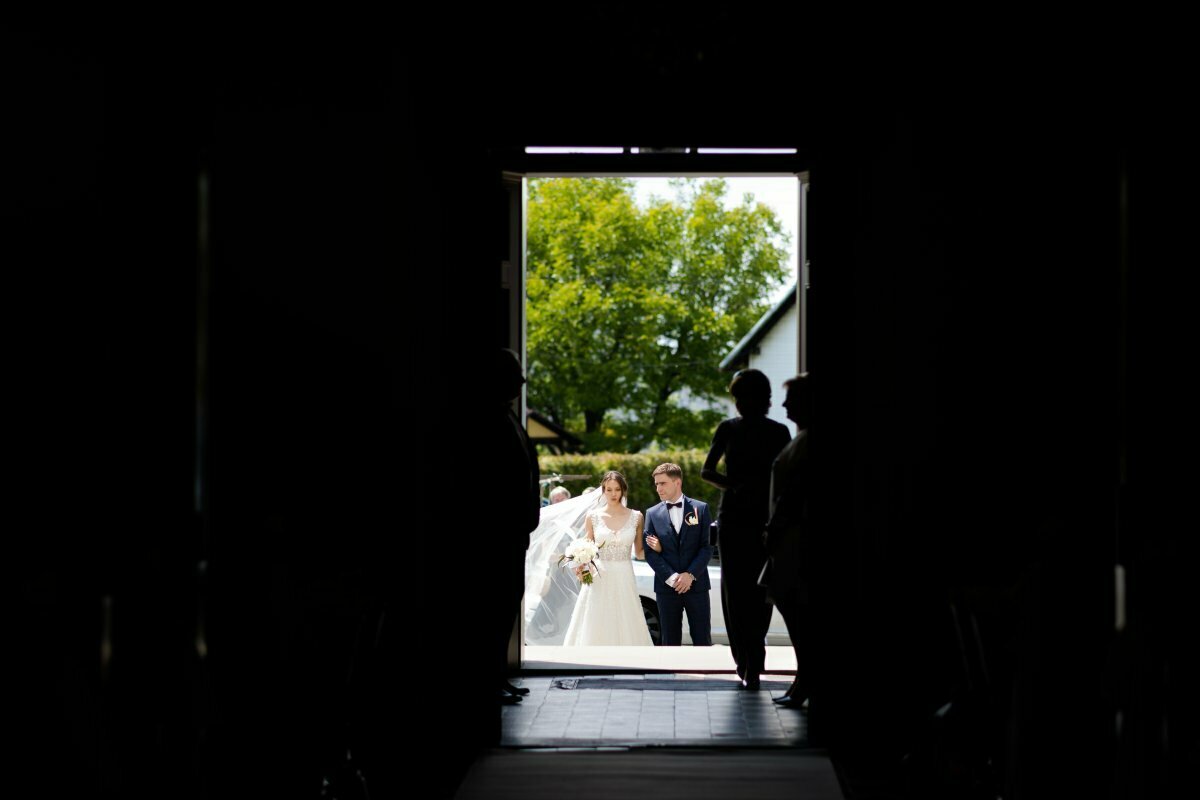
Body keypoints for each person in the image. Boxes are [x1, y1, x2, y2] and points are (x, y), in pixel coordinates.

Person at [700, 368, 792, 689]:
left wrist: (734, 486)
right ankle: (751, 657)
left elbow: (708, 471)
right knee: (750, 590)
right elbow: (706, 470)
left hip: (743, 517)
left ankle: (748, 658)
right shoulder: (777, 432)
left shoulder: (733, 429)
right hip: (751, 518)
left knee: (743, 591)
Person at [490, 348, 541, 704]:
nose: (521, 381)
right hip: (498, 533)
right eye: (514, 374)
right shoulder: (491, 421)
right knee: (495, 607)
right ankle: (491, 680)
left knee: (507, 603)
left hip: (514, 532)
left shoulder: (508, 419)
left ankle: (497, 677)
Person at [764, 373, 814, 709]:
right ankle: (804, 678)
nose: (784, 405)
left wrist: (774, 529)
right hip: (790, 537)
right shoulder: (802, 440)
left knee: (799, 610)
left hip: (795, 540)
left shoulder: (808, 443)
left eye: (792, 398)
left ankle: (806, 679)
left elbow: (792, 495)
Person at [558, 471, 653, 646]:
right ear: (603, 491)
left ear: (623, 490)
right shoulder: (593, 516)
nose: (613, 494)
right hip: (598, 577)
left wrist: (658, 548)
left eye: (617, 489)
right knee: (595, 619)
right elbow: (586, 549)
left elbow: (640, 553)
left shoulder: (636, 517)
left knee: (626, 620)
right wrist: (581, 567)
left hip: (624, 577)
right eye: (609, 489)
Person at [642, 463, 714, 646]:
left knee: (702, 639)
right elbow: (650, 553)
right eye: (656, 484)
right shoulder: (652, 514)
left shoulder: (701, 509)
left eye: (663, 483)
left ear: (677, 482)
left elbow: (707, 547)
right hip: (667, 589)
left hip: (697, 586)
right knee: (669, 642)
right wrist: (673, 577)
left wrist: (690, 575)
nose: (658, 488)